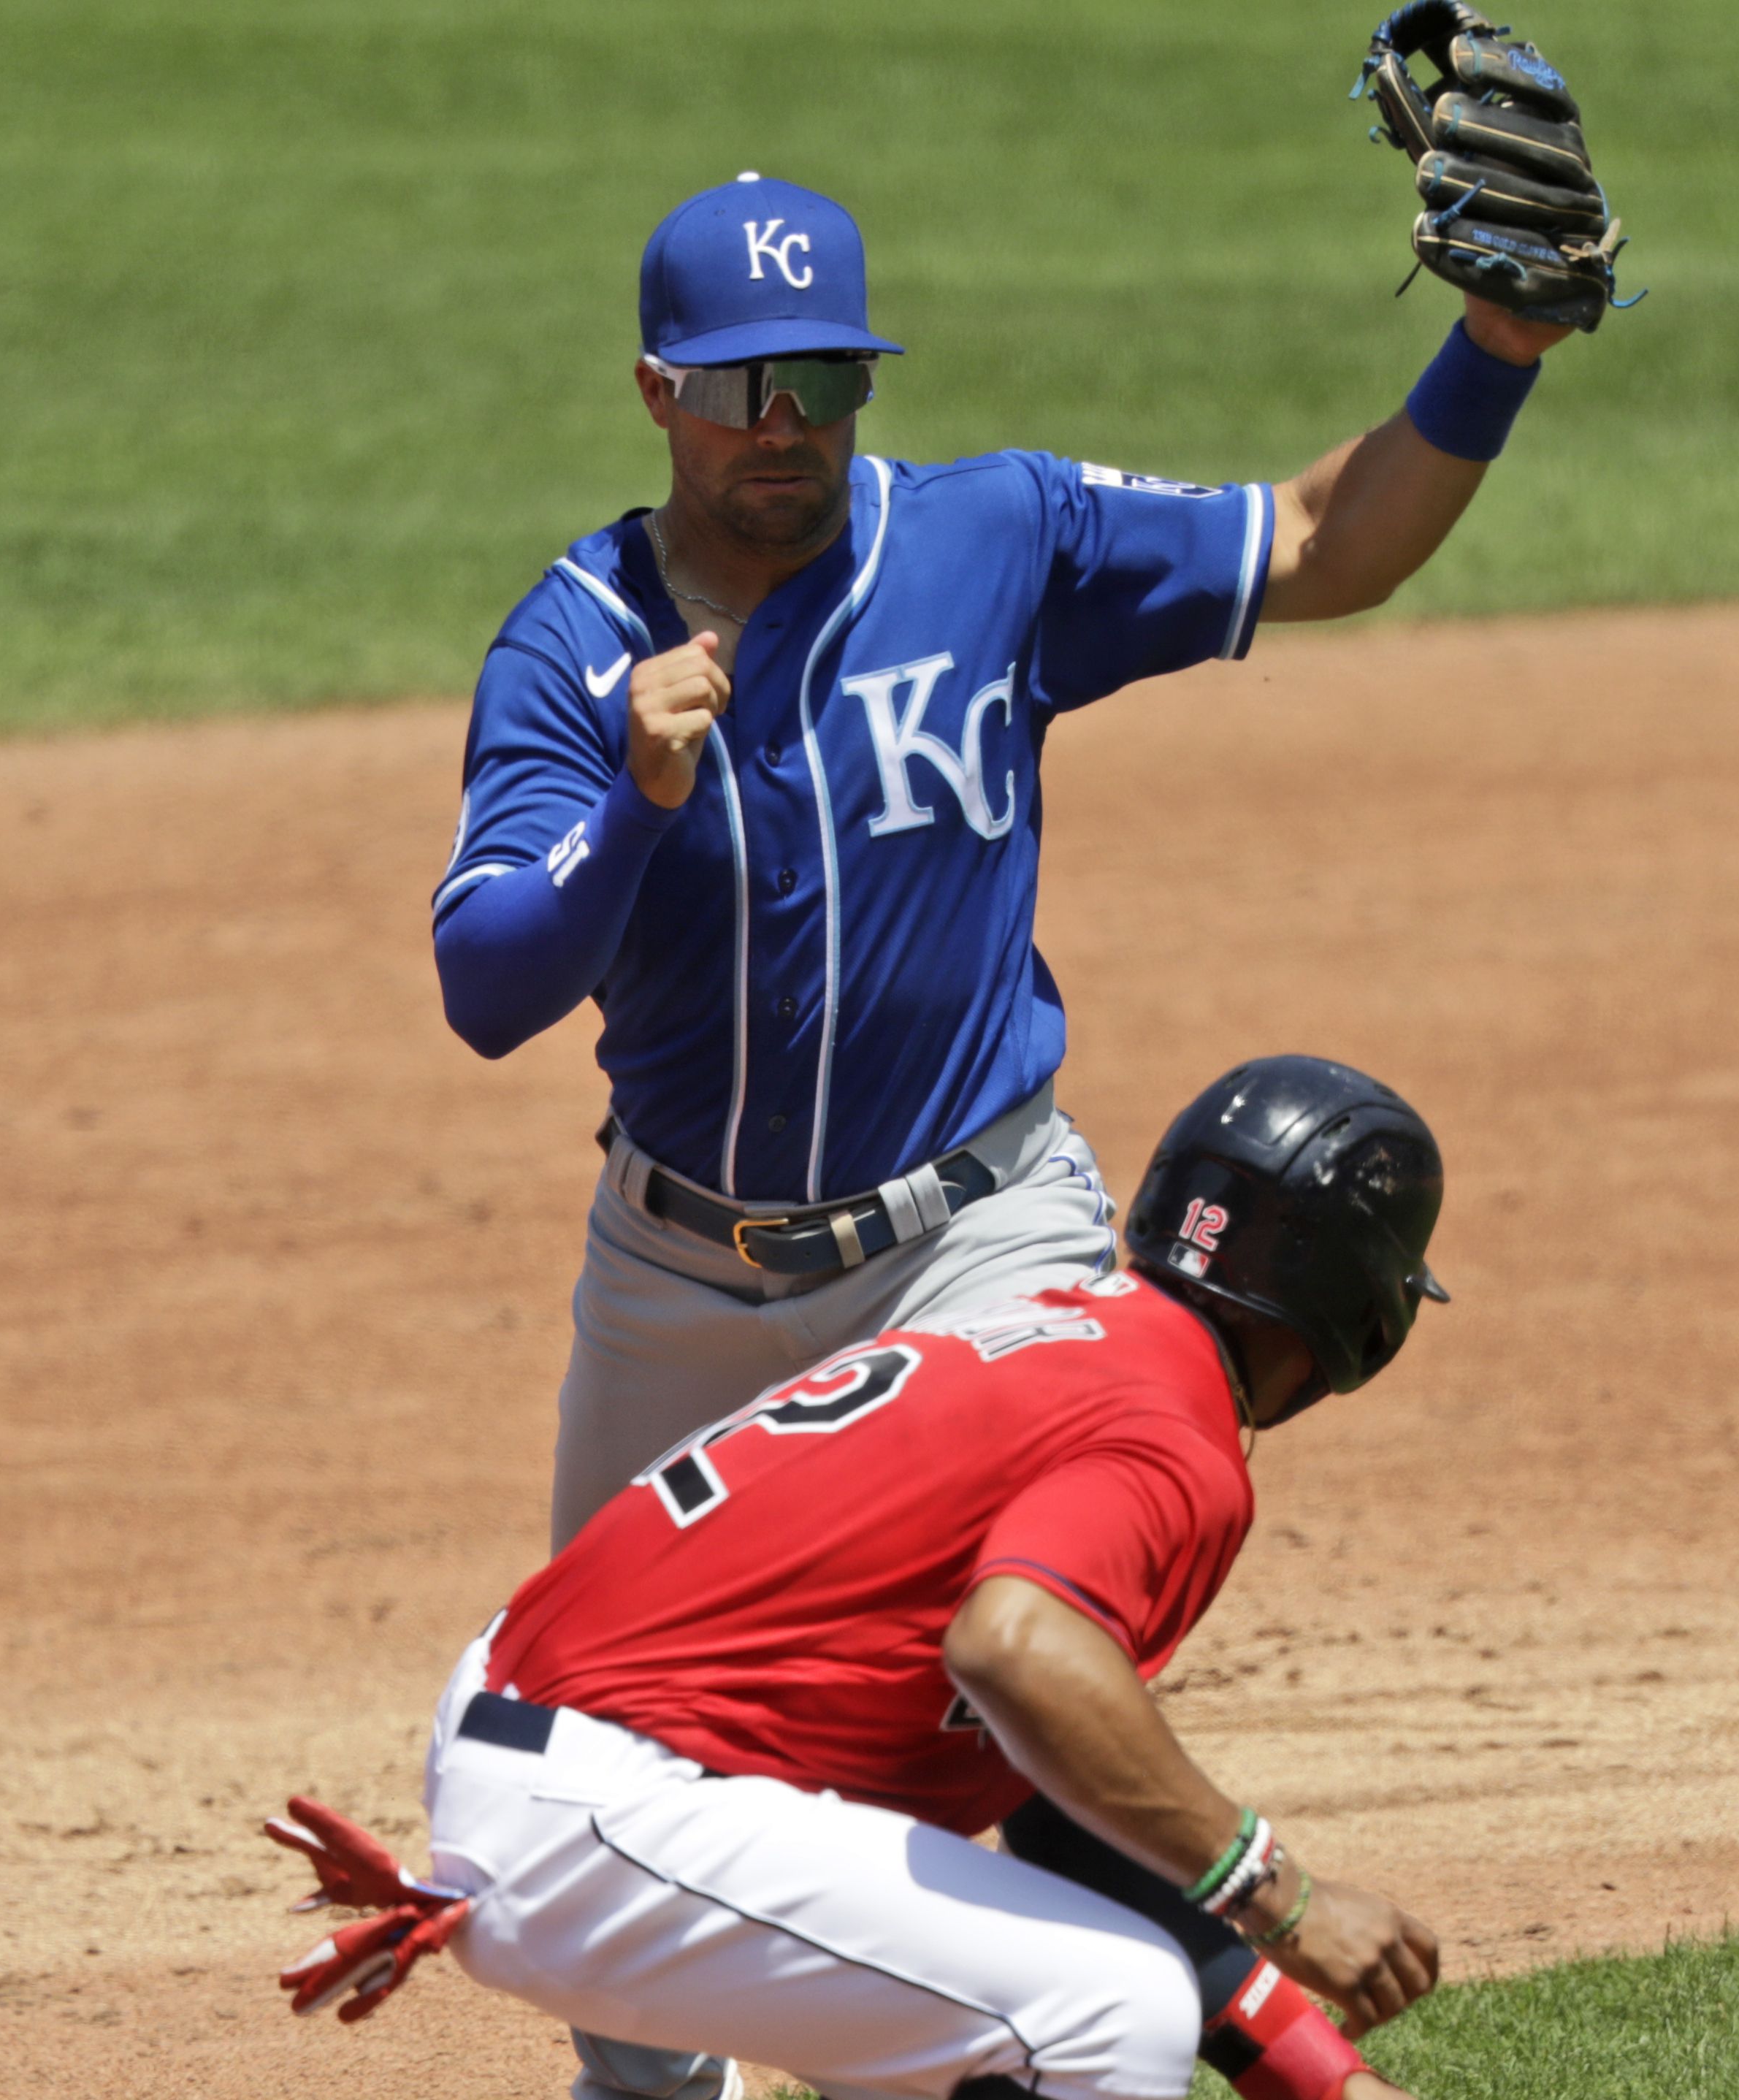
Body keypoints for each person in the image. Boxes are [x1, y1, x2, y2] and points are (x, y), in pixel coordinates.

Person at [428, 170, 1575, 1559]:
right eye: (738, 390)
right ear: (657, 391)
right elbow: (486, 991)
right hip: (676, 1286)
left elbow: (1327, 544)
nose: (782, 424)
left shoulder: (996, 539)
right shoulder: (571, 646)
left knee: (1004, 1636)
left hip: (974, 1242)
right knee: (592, 1703)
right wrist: (635, 801)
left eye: (821, 375)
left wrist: (1493, 355)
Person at [280, 1057, 1452, 2100]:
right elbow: (1017, 1653)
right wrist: (1280, 1896)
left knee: (1002, 2012)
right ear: (1363, 1304)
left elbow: (1051, 1788)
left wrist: (1314, 2073)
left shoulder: (1062, 1331)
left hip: (560, 1761)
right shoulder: (1172, 1434)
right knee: (1113, 2016)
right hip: (602, 1812)